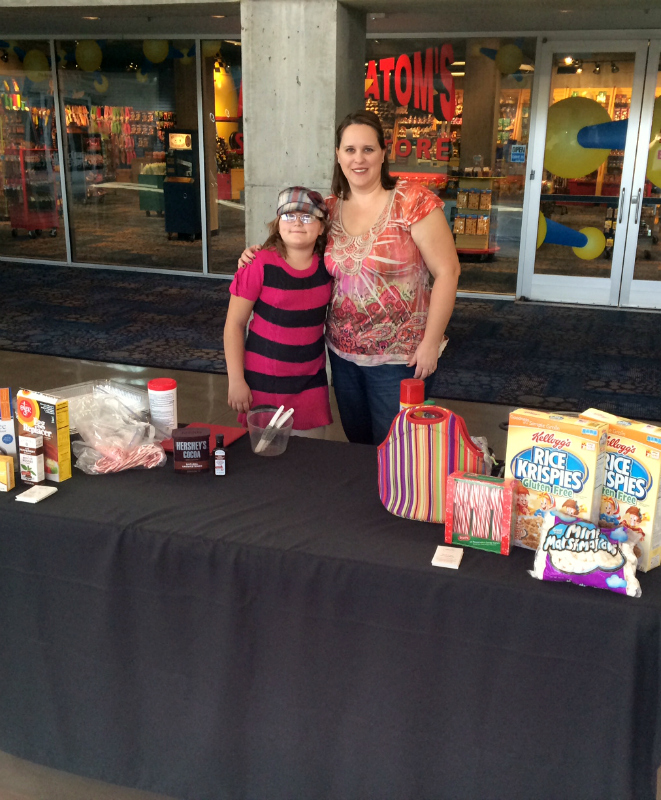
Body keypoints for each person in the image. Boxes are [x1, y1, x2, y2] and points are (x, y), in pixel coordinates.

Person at [239, 109, 460, 445]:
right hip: (342, 356)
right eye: (350, 150)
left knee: (397, 449)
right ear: (338, 155)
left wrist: (431, 342)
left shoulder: (412, 201)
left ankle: (395, 500)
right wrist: (256, 253)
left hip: (401, 359)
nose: (359, 159)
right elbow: (296, 250)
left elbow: (448, 271)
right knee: (358, 444)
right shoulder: (328, 209)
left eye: (368, 149)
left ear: (384, 153)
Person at [224, 186, 333, 437]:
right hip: (264, 381)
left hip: (310, 381)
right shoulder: (259, 263)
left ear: (321, 227)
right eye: (288, 216)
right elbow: (234, 325)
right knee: (266, 463)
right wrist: (236, 380)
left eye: (307, 217)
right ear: (278, 223)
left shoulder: (328, 265)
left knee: (309, 459)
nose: (297, 223)